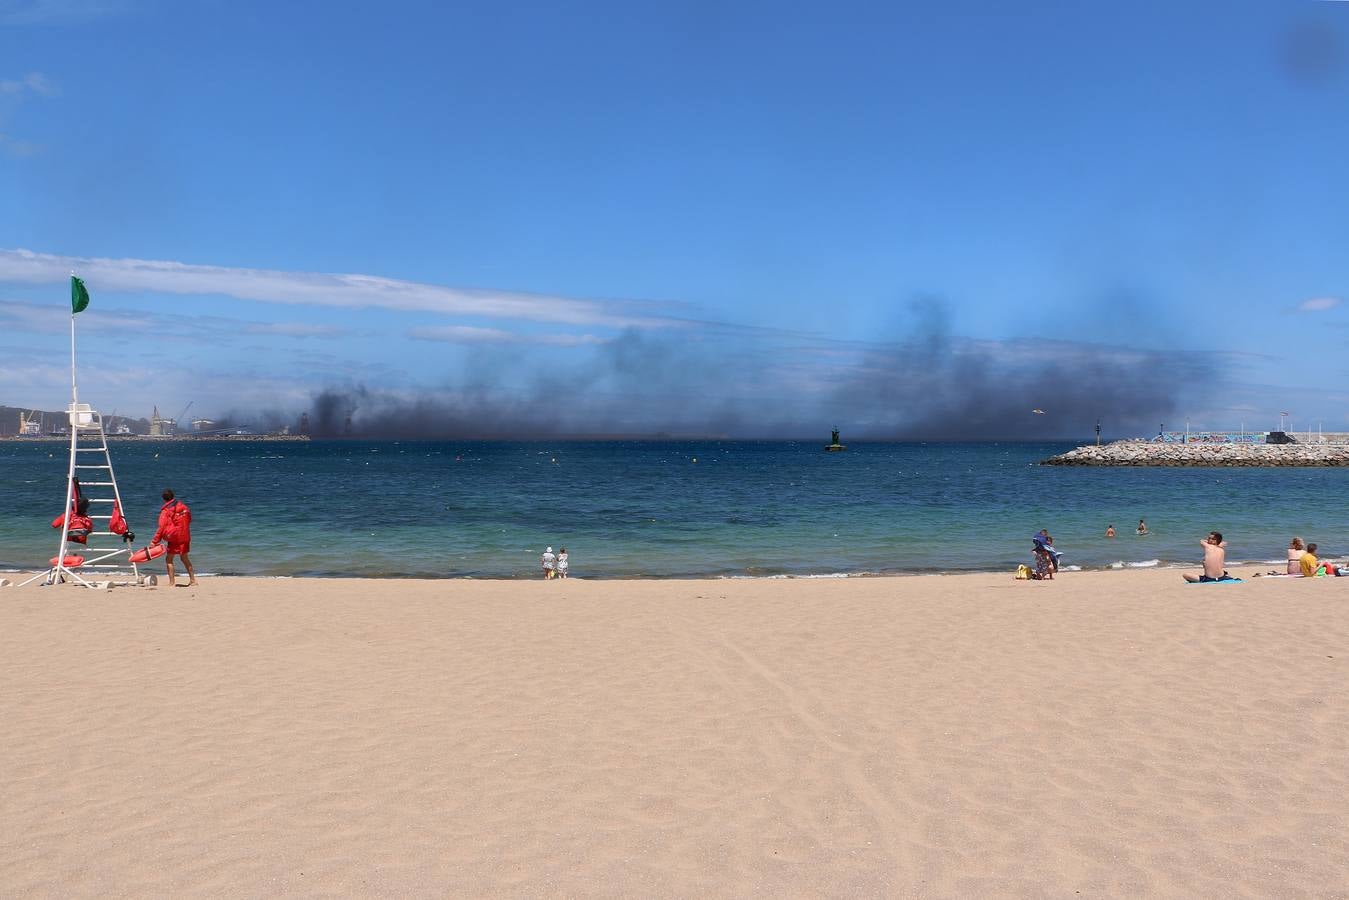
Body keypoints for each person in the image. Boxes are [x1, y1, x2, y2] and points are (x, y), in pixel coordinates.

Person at [151, 488, 196, 587]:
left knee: (169, 559)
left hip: (175, 538)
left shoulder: (166, 511)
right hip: (185, 535)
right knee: (184, 558)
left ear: (164, 499)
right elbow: (189, 519)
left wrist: (154, 541)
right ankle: (193, 580)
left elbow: (161, 527)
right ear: (173, 496)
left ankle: (172, 583)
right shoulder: (184, 507)